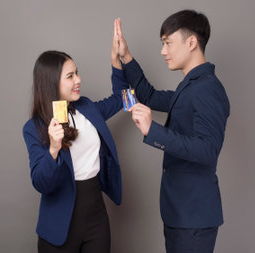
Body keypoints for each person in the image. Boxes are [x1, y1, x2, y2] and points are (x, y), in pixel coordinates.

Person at [114, 10, 230, 253]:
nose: (163, 51)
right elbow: (151, 96)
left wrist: (152, 131)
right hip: (180, 213)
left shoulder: (208, 89)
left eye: (168, 43)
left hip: (194, 217)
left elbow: (208, 150)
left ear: (191, 42)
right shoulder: (190, 85)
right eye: (162, 43)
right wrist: (126, 57)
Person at [22, 23, 127, 252]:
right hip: (59, 226)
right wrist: (53, 148)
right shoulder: (34, 128)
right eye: (70, 76)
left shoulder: (87, 107)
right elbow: (41, 182)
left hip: (96, 217)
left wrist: (116, 60)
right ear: (52, 83)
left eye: (77, 73)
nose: (78, 79)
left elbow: (120, 98)